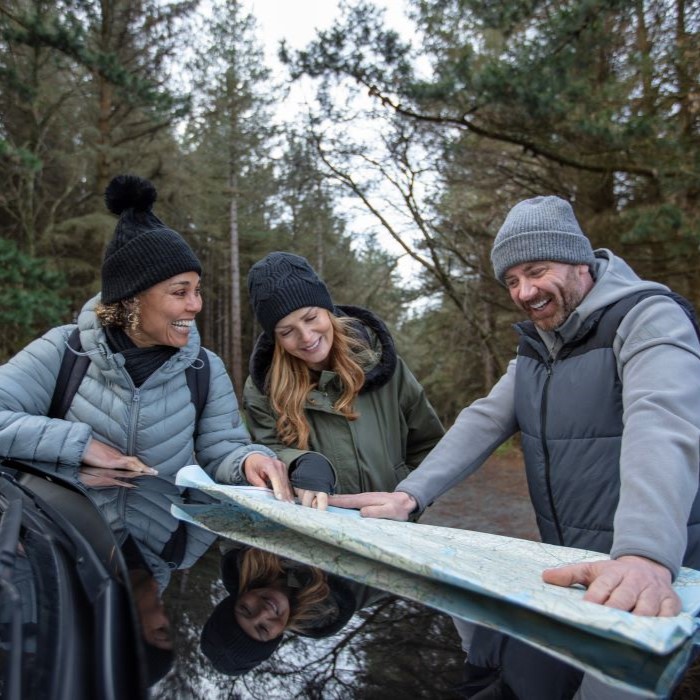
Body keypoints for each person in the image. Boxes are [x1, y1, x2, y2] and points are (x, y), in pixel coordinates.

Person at [328, 196, 700, 698]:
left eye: (536, 270)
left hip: (659, 575)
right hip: (581, 575)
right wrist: (408, 495)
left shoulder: (648, 319)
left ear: (578, 261)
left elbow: (662, 425)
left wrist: (644, 555)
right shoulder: (537, 350)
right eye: (511, 281)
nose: (524, 291)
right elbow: (481, 421)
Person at [0, 174, 291, 591]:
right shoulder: (64, 352)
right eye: (180, 291)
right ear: (132, 299)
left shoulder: (204, 369)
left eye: (197, 290)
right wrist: (79, 444)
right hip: (63, 544)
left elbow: (221, 449)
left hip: (157, 533)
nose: (196, 305)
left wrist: (249, 462)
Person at [242, 251, 445, 509]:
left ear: (328, 310)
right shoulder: (264, 388)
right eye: (287, 331)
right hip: (312, 532)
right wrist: (298, 461)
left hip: (394, 530)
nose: (306, 337)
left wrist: (408, 500)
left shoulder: (382, 364)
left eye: (311, 318)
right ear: (276, 339)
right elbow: (265, 453)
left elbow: (429, 446)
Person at [200, 544, 389, 676]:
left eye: (246, 610)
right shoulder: (335, 604)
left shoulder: (241, 547)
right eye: (263, 629)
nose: (264, 612)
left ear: (236, 598)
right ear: (276, 638)